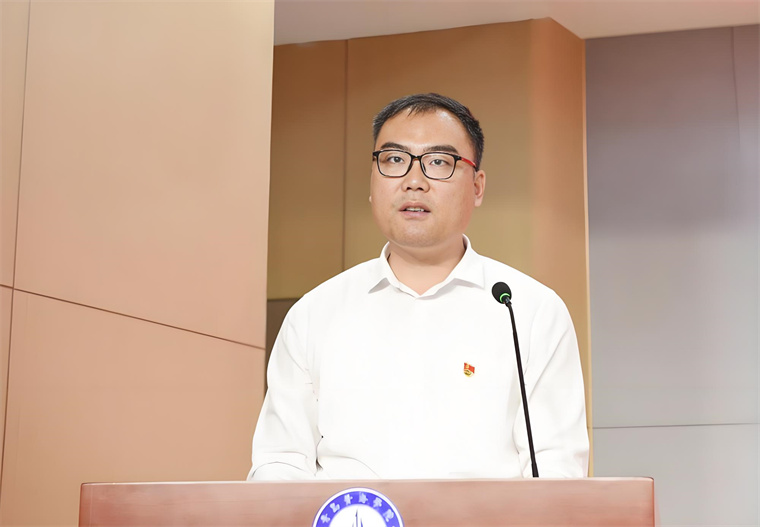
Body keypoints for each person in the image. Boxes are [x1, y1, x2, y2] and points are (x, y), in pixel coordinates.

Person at [248, 93, 588, 480]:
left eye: (438, 162)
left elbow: (557, 469)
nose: (413, 182)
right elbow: (280, 463)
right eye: (394, 160)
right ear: (372, 181)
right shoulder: (315, 313)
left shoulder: (528, 311)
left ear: (477, 187)